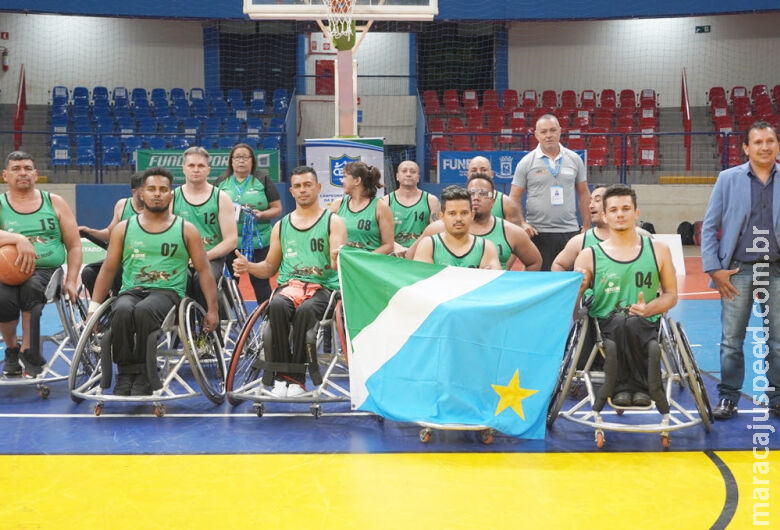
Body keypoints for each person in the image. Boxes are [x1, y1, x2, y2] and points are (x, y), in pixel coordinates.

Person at [88, 167, 219, 396]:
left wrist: (212, 310)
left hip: (167, 293)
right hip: (132, 290)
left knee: (144, 311)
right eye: (151, 189)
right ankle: (127, 374)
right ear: (141, 194)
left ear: (171, 195)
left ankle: (144, 375)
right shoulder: (124, 228)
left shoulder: (186, 229)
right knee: (121, 309)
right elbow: (108, 269)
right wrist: (93, 308)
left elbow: (204, 271)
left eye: (163, 189)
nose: (157, 194)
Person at [233, 166, 346, 398]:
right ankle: (280, 377)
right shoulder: (281, 226)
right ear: (291, 191)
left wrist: (337, 258)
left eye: (307, 185)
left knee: (305, 311)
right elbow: (269, 268)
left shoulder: (333, 222)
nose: (303, 190)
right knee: (275, 305)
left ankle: (296, 380)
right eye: (297, 186)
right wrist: (249, 267)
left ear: (318, 188)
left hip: (324, 289)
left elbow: (338, 267)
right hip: (290, 287)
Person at [702, 121, 780, 420]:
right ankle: (728, 398)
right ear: (746, 147)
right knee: (731, 340)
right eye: (757, 142)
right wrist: (714, 269)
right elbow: (710, 226)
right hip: (737, 271)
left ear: (777, 145)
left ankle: (777, 398)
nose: (764, 147)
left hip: (775, 270)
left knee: (777, 341)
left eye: (769, 141)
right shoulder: (728, 179)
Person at [573, 184, 677, 408]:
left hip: (646, 323)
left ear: (636, 213)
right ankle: (622, 386)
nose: (620, 214)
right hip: (605, 327)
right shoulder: (588, 255)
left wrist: (649, 309)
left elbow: (671, 295)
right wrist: (578, 289)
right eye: (614, 210)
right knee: (621, 322)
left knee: (634, 322)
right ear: (604, 215)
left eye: (626, 208)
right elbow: (572, 308)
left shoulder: (659, 250)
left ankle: (639, 387)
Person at [0, 151, 82, 377]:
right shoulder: (0, 204)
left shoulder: (54, 202)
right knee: (2, 298)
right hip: (8, 271)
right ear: (5, 176)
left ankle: (28, 350)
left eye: (27, 168)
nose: (22, 173)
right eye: (16, 169)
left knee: (31, 288)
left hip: (46, 271)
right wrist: (19, 239)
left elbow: (74, 245)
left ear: (36, 174)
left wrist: (72, 279)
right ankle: (11, 349)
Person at [408, 174, 541, 271]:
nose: (476, 198)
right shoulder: (435, 230)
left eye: (483, 193)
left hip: (485, 299)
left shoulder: (510, 232)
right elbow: (411, 259)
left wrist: (514, 289)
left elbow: (535, 262)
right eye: (472, 193)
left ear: (493, 201)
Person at [509, 114, 591, 271]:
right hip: (538, 232)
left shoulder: (575, 159)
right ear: (536, 134)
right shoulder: (526, 162)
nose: (548, 135)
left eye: (553, 130)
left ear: (560, 131)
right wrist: (522, 223)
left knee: (569, 282)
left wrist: (586, 226)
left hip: (570, 232)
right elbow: (514, 198)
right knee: (540, 283)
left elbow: (584, 194)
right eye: (544, 131)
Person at [216, 143, 283, 305]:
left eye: (245, 157)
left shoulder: (262, 180)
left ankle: (268, 318)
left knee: (261, 283)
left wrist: (262, 214)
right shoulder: (221, 182)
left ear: (252, 161)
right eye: (237, 157)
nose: (241, 161)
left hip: (259, 242)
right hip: (230, 243)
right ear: (231, 161)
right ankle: (227, 323)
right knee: (228, 284)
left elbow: (277, 209)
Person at [172, 146, 237, 307]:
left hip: (211, 256)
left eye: (201, 166)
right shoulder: (173, 198)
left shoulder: (221, 198)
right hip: (181, 258)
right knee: (179, 280)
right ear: (183, 169)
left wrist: (203, 257)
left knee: (201, 279)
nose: (196, 170)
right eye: (191, 165)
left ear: (208, 170)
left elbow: (231, 240)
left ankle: (208, 327)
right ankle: (180, 327)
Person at [78, 171, 144, 296]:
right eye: (145, 190)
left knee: (118, 269)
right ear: (134, 191)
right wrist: (89, 231)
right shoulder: (122, 205)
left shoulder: (155, 209)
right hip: (120, 257)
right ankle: (106, 309)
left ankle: (120, 302)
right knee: (88, 272)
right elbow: (109, 233)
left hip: (141, 258)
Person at [413, 185, 500, 269]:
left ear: (472, 215)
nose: (458, 218)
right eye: (452, 213)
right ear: (442, 216)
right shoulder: (428, 245)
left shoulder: (486, 247)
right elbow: (422, 280)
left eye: (464, 213)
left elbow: (493, 282)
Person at [329, 161, 394, 254]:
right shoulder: (337, 205)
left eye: (344, 176)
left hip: (368, 266)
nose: (342, 181)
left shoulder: (380, 207)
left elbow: (389, 246)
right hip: (344, 265)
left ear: (357, 181)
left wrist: (362, 261)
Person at [381, 160, 440, 257]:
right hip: (393, 255)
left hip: (422, 254)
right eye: (404, 171)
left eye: (413, 172)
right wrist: (397, 247)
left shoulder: (431, 201)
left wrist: (414, 250)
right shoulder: (385, 201)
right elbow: (380, 233)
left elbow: (436, 232)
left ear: (418, 177)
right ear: (397, 176)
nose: (408, 174)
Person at [467, 156, 521, 225]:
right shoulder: (459, 200)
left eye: (483, 170)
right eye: (474, 170)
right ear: (468, 175)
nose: (479, 173)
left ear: (492, 174)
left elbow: (514, 233)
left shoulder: (506, 203)